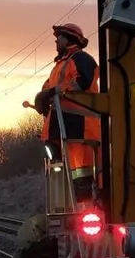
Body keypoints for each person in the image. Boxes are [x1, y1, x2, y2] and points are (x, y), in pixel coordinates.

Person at [31, 23, 101, 205]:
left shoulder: (81, 59)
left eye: (59, 37)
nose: (56, 40)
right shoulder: (60, 65)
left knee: (83, 171)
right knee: (67, 172)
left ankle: (87, 206)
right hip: (63, 128)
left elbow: (82, 82)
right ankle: (75, 206)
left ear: (69, 38)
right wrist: (43, 98)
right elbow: (48, 87)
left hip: (80, 127)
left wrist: (53, 92)